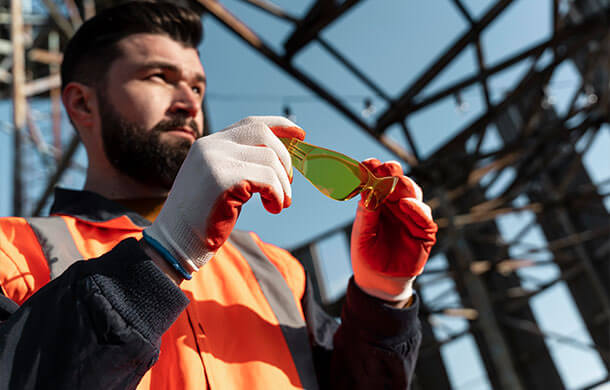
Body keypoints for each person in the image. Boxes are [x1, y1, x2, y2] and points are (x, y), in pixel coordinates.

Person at [0, 2, 438, 389]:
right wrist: (164, 254)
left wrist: (383, 299)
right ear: (82, 104)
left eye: (197, 87)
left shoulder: (280, 270)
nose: (189, 103)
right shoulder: (11, 250)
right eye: (159, 76)